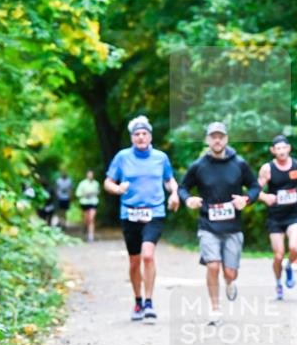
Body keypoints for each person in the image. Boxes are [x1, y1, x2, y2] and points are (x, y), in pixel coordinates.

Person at [178, 121, 261, 325]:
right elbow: (182, 188)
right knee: (213, 265)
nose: (217, 140)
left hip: (232, 227)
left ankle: (230, 282)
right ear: (207, 140)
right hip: (208, 226)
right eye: (213, 136)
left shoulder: (239, 163)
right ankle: (215, 309)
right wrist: (188, 199)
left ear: (226, 139)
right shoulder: (199, 165)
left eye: (220, 136)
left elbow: (255, 187)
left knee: (230, 272)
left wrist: (246, 199)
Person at [104, 115, 180, 321]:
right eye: (136, 134)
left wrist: (174, 193)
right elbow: (108, 182)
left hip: (154, 212)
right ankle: (137, 301)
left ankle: (149, 302)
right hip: (129, 212)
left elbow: (169, 179)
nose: (140, 137)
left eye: (144, 133)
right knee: (134, 261)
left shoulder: (160, 158)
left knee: (148, 255)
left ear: (150, 136)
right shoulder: (122, 157)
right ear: (132, 138)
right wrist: (118, 188)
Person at [257, 133, 297, 300]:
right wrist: (265, 197)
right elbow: (255, 190)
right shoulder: (267, 169)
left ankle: (289, 267)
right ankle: (278, 284)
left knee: (295, 248)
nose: (281, 151)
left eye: (284, 147)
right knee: (278, 255)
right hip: (275, 217)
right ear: (273, 150)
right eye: (278, 148)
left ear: (289, 148)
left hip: (294, 215)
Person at [76, 169, 100, 242]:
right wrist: (84, 194)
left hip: (93, 203)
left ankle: (91, 236)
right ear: (87, 175)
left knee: (91, 219)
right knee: (86, 220)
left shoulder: (96, 183)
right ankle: (85, 230)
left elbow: (98, 191)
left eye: (91, 174)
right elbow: (78, 194)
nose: (90, 176)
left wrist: (94, 193)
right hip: (84, 203)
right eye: (89, 174)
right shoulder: (82, 183)